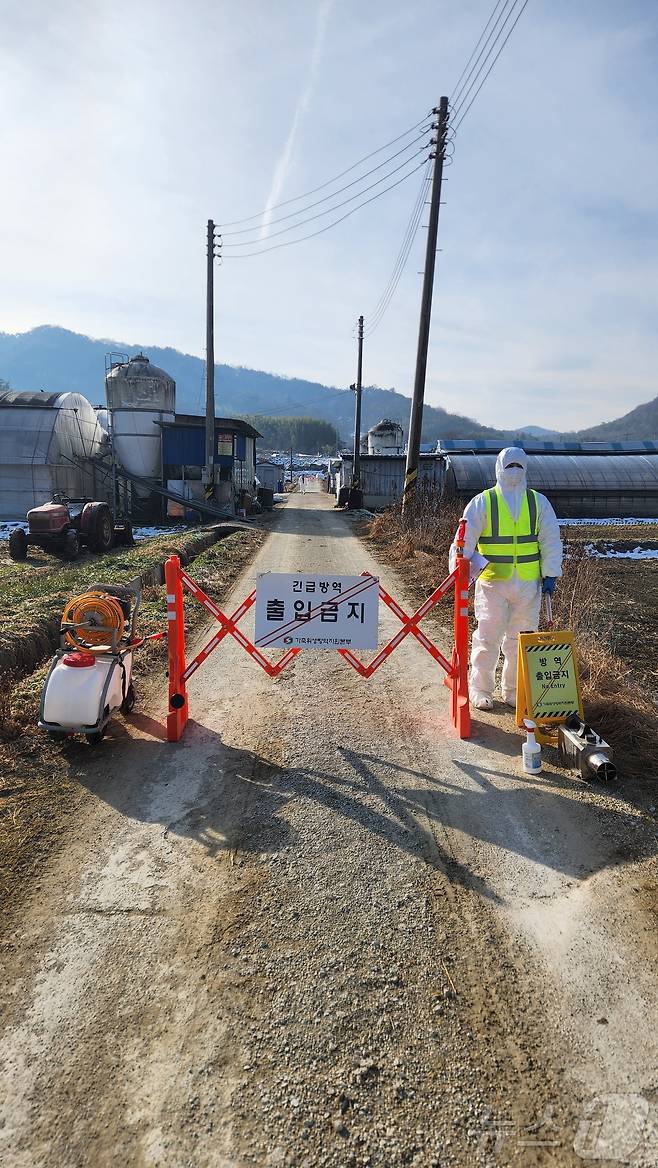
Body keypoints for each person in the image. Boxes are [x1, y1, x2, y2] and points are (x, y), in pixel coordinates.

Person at [449, 447, 563, 711]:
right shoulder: (483, 502)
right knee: (487, 637)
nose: (514, 470)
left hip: (528, 584)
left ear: (526, 468)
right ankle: (480, 689)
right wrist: (458, 572)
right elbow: (463, 542)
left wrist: (551, 573)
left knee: (520, 640)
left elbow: (550, 541)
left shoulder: (538, 503)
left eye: (518, 465)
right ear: (499, 467)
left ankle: (513, 690)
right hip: (492, 583)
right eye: (509, 465)